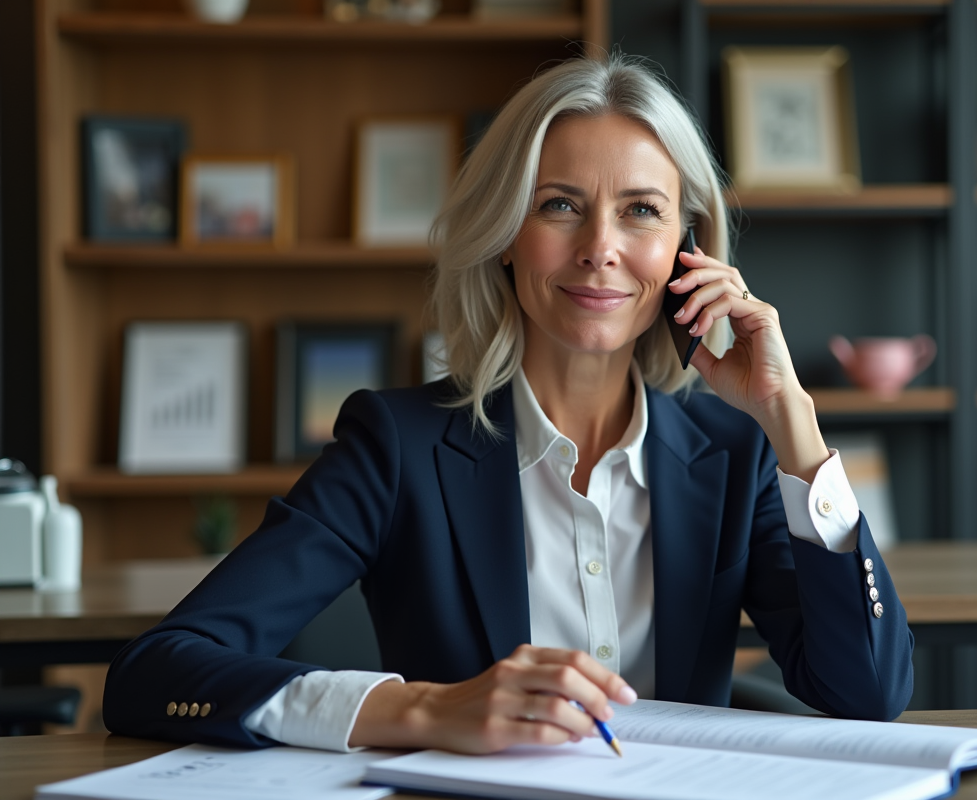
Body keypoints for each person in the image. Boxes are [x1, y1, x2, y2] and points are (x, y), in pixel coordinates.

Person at [103, 53, 913, 754]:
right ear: (503, 235)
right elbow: (157, 671)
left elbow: (869, 693)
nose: (601, 247)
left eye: (641, 211)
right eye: (559, 204)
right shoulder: (397, 446)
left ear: (685, 252)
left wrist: (793, 426)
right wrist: (422, 707)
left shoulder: (733, 457)